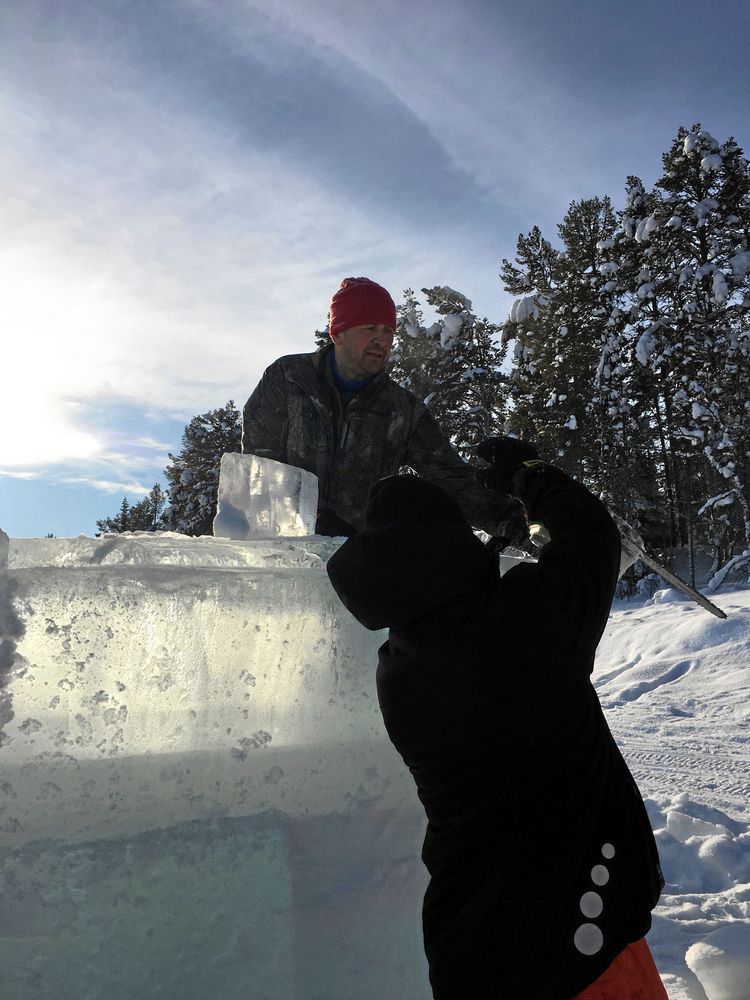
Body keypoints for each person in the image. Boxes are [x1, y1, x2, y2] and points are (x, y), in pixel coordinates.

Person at [325, 440, 666, 1000]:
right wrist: (530, 477)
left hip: (474, 945)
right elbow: (592, 536)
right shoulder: (521, 621)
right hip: (575, 943)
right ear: (448, 544)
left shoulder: (400, 667)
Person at [242, 276, 526, 542]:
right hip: (279, 549)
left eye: (388, 330)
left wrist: (513, 520)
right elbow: (261, 461)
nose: (382, 340)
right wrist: (314, 516)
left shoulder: (402, 410)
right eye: (369, 328)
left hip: (355, 560)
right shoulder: (289, 378)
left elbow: (451, 479)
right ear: (338, 332)